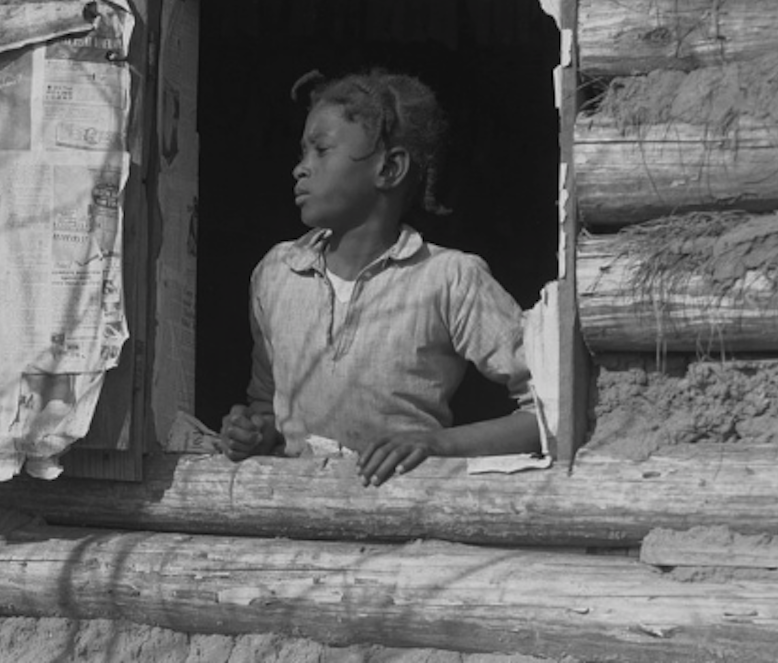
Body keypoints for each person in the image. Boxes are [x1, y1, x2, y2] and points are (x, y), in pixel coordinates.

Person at [219, 69, 540, 487]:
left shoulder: (448, 279)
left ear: (389, 169)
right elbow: (266, 405)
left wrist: (437, 444)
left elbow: (549, 410)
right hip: (296, 513)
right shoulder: (278, 273)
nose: (300, 168)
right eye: (303, 153)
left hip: (402, 511)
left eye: (321, 150)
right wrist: (254, 432)